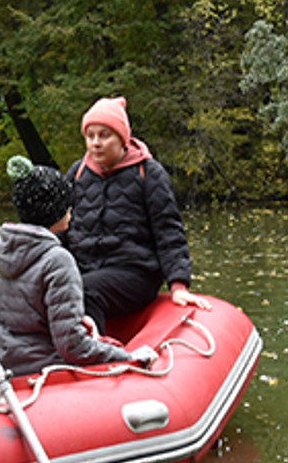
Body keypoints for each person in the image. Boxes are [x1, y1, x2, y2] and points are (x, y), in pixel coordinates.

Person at [0, 156, 155, 377]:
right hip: (51, 373)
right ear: (56, 211)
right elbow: (73, 346)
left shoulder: (4, 252)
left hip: (10, 372)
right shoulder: (58, 260)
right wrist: (127, 357)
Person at [63, 96, 206, 329]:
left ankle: (91, 356)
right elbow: (59, 228)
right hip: (84, 269)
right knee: (55, 288)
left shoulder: (148, 173)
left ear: (122, 138)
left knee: (82, 290)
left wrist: (178, 285)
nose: (96, 143)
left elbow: (168, 230)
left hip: (134, 272)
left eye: (104, 135)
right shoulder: (78, 172)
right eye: (90, 136)